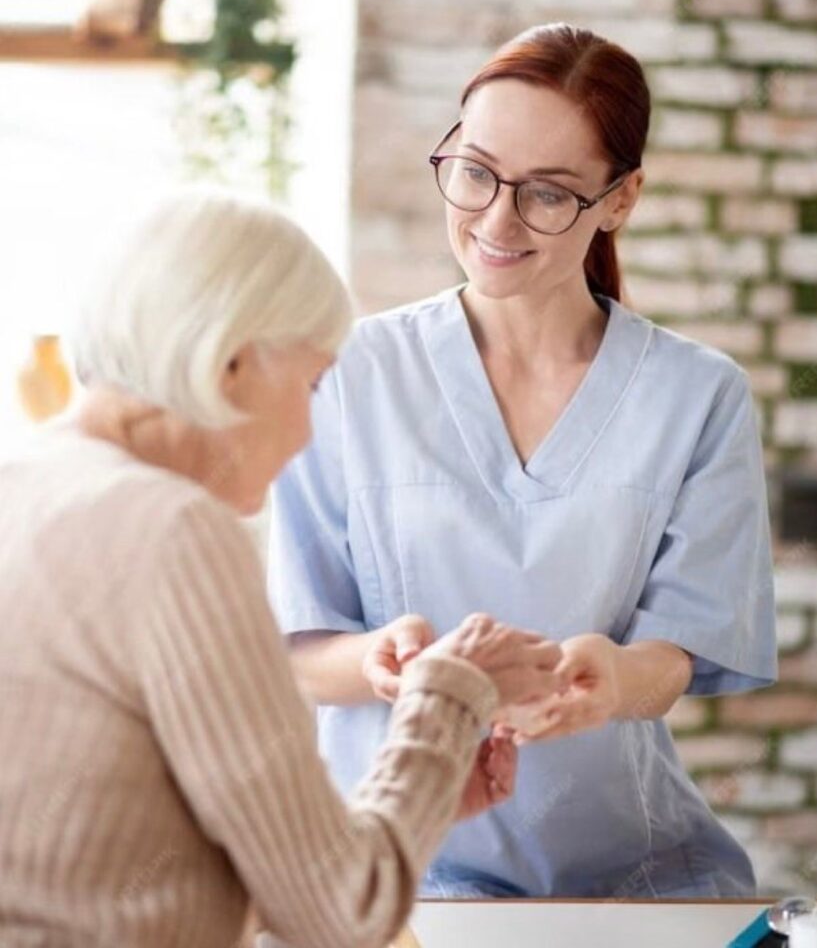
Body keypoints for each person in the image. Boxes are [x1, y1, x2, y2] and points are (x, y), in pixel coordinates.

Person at [269, 23, 779, 900]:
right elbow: (294, 647)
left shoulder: (698, 395)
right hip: (397, 874)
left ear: (620, 199)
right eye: (474, 172)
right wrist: (385, 663)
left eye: (548, 193)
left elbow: (680, 652)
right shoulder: (347, 374)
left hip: (628, 881)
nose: (496, 220)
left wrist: (613, 678)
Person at [0, 188, 568, 948]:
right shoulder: (172, 529)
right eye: (310, 384)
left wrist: (420, 793)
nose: (307, 429)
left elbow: (131, 856)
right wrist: (452, 695)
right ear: (230, 363)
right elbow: (342, 915)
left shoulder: (28, 483)